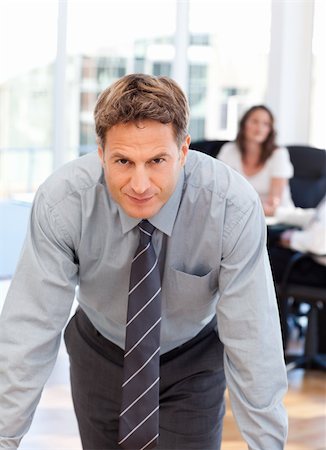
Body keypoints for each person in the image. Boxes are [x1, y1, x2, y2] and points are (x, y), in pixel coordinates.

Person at [0, 74, 288, 450]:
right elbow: (30, 329)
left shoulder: (231, 207)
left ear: (183, 151)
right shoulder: (64, 203)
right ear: (101, 153)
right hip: (100, 349)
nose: (140, 184)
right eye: (122, 160)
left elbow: (254, 336)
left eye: (156, 160)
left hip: (192, 358)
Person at [268, 196, 326, 354]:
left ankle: (274, 346)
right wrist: (279, 214)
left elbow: (319, 243)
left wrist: (290, 238)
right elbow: (316, 218)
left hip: (319, 270)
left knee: (266, 262)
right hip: (316, 261)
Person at [218, 105, 294, 216]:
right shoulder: (229, 150)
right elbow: (221, 191)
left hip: (277, 221)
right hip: (240, 217)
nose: (260, 128)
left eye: (266, 124)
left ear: (270, 129)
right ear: (244, 124)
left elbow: (273, 205)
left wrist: (237, 209)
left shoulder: (278, 154)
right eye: (254, 122)